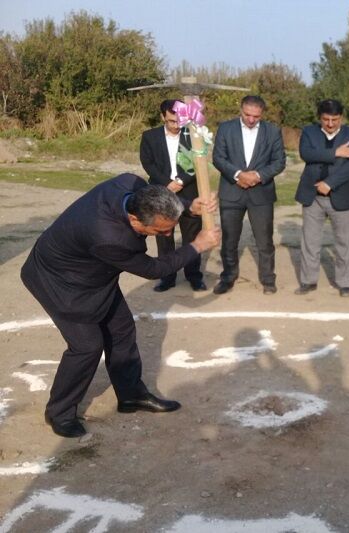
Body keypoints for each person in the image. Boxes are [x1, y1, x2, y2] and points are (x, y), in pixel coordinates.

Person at [20, 174, 220, 438]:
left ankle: (131, 396)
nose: (169, 234)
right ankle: (59, 412)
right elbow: (153, 268)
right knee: (87, 347)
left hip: (94, 274)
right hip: (60, 283)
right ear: (135, 220)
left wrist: (188, 207)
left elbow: (159, 199)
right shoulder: (109, 237)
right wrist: (196, 246)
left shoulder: (131, 184)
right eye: (161, 232)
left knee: (122, 329)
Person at [212, 95, 286, 295]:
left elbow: (279, 162)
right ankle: (227, 277)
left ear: (262, 114)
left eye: (256, 116)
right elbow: (218, 157)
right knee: (229, 239)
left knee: (264, 241)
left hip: (261, 194)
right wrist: (238, 175)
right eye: (247, 115)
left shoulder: (272, 131)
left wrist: (258, 176)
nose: (251, 119)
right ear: (241, 110)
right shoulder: (226, 128)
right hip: (231, 191)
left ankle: (268, 279)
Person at [294, 99, 349, 297]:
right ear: (319, 118)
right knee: (310, 241)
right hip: (311, 195)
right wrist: (337, 152)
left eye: (335, 119)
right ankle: (308, 281)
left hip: (342, 194)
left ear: (342, 117)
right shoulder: (309, 131)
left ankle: (345, 282)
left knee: (344, 242)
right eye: (326, 119)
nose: (330, 124)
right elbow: (306, 154)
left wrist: (329, 183)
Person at [139, 99, 206, 292]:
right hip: (161, 192)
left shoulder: (192, 135)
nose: (176, 125)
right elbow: (148, 163)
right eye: (171, 121)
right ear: (163, 117)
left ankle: (194, 276)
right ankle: (167, 278)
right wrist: (167, 184)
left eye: (179, 121)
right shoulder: (149, 137)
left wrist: (181, 181)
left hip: (189, 190)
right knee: (163, 236)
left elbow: (198, 161)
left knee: (192, 237)